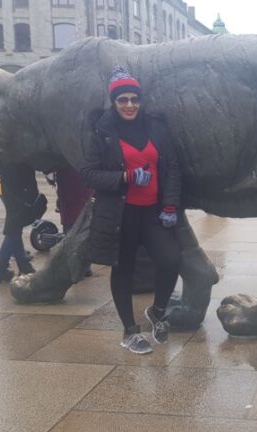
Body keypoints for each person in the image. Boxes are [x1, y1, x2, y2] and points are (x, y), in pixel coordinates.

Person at [80, 66, 182, 355]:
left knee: (171, 259)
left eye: (134, 99)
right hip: (120, 213)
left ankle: (157, 311)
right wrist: (124, 178)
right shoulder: (103, 131)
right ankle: (130, 331)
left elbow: (172, 167)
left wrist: (171, 204)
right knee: (123, 269)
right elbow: (88, 173)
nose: (129, 105)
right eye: (122, 99)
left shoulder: (155, 127)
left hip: (153, 211)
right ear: (114, 102)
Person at [0, 160, 43, 284]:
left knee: (14, 229)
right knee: (13, 231)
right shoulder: (15, 144)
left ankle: (22, 266)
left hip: (6, 184)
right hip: (19, 187)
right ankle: (1, 271)